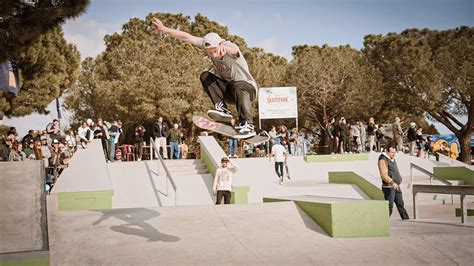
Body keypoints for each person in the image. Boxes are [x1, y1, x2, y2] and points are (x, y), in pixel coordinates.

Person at [152, 17, 257, 137]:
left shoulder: (227, 45)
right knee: (205, 76)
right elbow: (187, 37)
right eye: (209, 52)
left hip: (248, 90)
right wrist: (164, 29)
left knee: (238, 85)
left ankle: (248, 125)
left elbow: (235, 51)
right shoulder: (206, 44)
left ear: (218, 45)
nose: (212, 54)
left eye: (213, 51)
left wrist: (224, 49)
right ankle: (222, 108)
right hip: (230, 92)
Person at [378, 144, 409, 220]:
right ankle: (383, 222)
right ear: (387, 151)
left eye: (394, 152)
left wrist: (399, 179)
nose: (394, 154)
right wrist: (392, 182)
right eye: (392, 152)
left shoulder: (391, 158)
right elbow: (383, 175)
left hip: (396, 186)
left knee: (400, 204)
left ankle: (406, 220)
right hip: (389, 187)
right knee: (389, 207)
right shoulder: (383, 159)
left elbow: (394, 170)